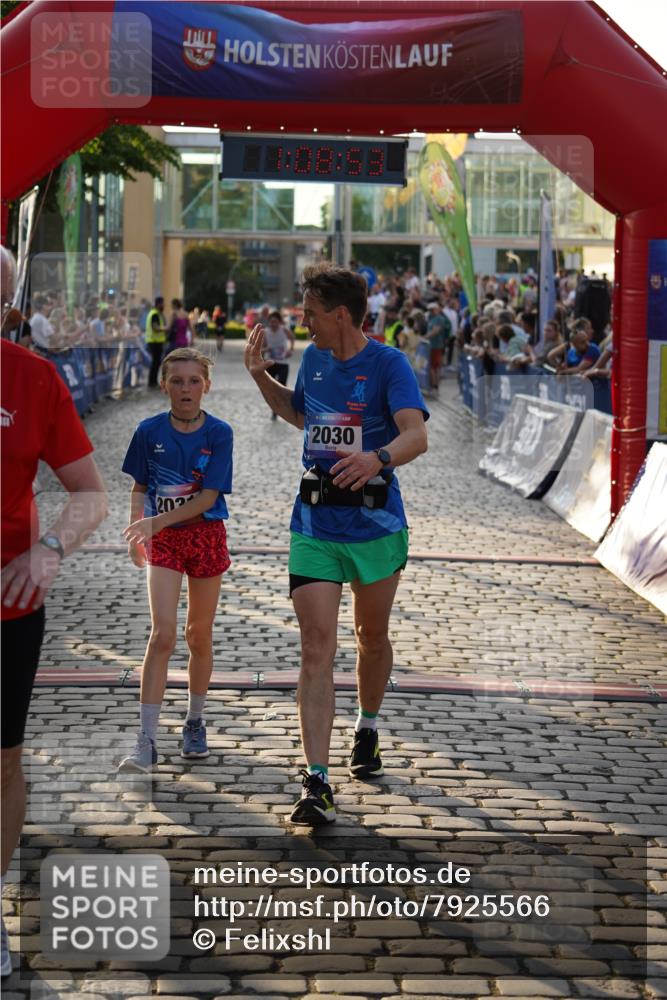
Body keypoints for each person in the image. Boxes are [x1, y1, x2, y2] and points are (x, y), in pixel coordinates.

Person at [244, 263, 428, 826]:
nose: (304, 323)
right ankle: (317, 780)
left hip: (375, 527)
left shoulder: (388, 364)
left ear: (341, 314)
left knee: (371, 637)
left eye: (311, 314)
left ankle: (367, 725)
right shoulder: (314, 359)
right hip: (315, 524)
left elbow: (416, 434)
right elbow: (301, 415)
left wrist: (378, 457)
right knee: (315, 647)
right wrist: (260, 377)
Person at [0, 245, 108, 978]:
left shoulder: (34, 380)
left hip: (9, 605)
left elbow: (90, 492)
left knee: (3, 761)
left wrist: (48, 549)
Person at [118, 347, 233, 773]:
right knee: (162, 634)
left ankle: (194, 721)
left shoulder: (219, 433)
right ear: (164, 385)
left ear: (207, 386)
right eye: (178, 381)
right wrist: (137, 531)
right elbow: (138, 487)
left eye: (194, 381)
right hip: (163, 540)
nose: (186, 389)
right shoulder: (148, 430)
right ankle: (146, 741)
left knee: (198, 634)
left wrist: (154, 522)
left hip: (204, 536)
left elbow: (207, 497)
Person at [264, 310, 294, 419]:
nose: (273, 324)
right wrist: (266, 349)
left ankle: (280, 409)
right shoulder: (265, 332)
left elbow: (292, 338)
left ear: (279, 322)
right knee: (271, 388)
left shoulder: (284, 330)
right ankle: (274, 410)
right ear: (269, 322)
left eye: (275, 321)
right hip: (270, 363)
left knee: (282, 387)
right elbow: (262, 348)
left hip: (283, 363)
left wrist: (290, 349)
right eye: (271, 322)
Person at [425, 300, 451, 393]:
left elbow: (435, 331)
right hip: (430, 345)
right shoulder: (431, 318)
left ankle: (435, 385)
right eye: (430, 310)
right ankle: (432, 384)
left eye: (432, 310)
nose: (431, 311)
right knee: (432, 366)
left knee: (435, 366)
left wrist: (424, 337)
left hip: (436, 345)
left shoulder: (439, 319)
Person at [145, 296, 167, 388]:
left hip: (155, 341)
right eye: (163, 303)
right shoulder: (155, 314)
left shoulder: (155, 313)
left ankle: (153, 382)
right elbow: (155, 328)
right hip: (154, 342)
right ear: (159, 304)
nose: (164, 305)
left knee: (156, 363)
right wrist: (166, 328)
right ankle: (152, 382)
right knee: (155, 363)